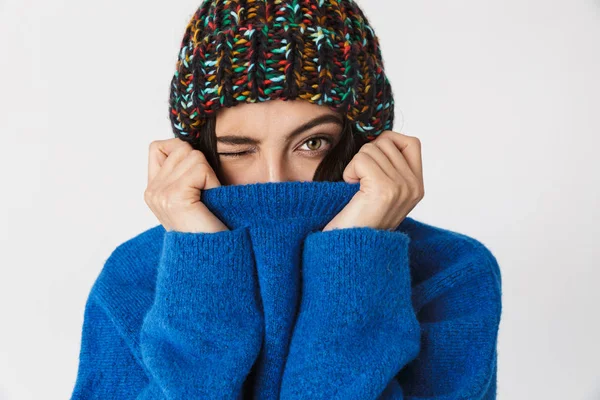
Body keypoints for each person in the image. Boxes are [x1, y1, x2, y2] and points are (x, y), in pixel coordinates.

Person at [70, 0, 502, 399]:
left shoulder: (452, 272)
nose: (275, 180)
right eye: (239, 150)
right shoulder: (133, 278)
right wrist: (201, 266)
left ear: (363, 143)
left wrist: (356, 256)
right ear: (197, 152)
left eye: (312, 142)